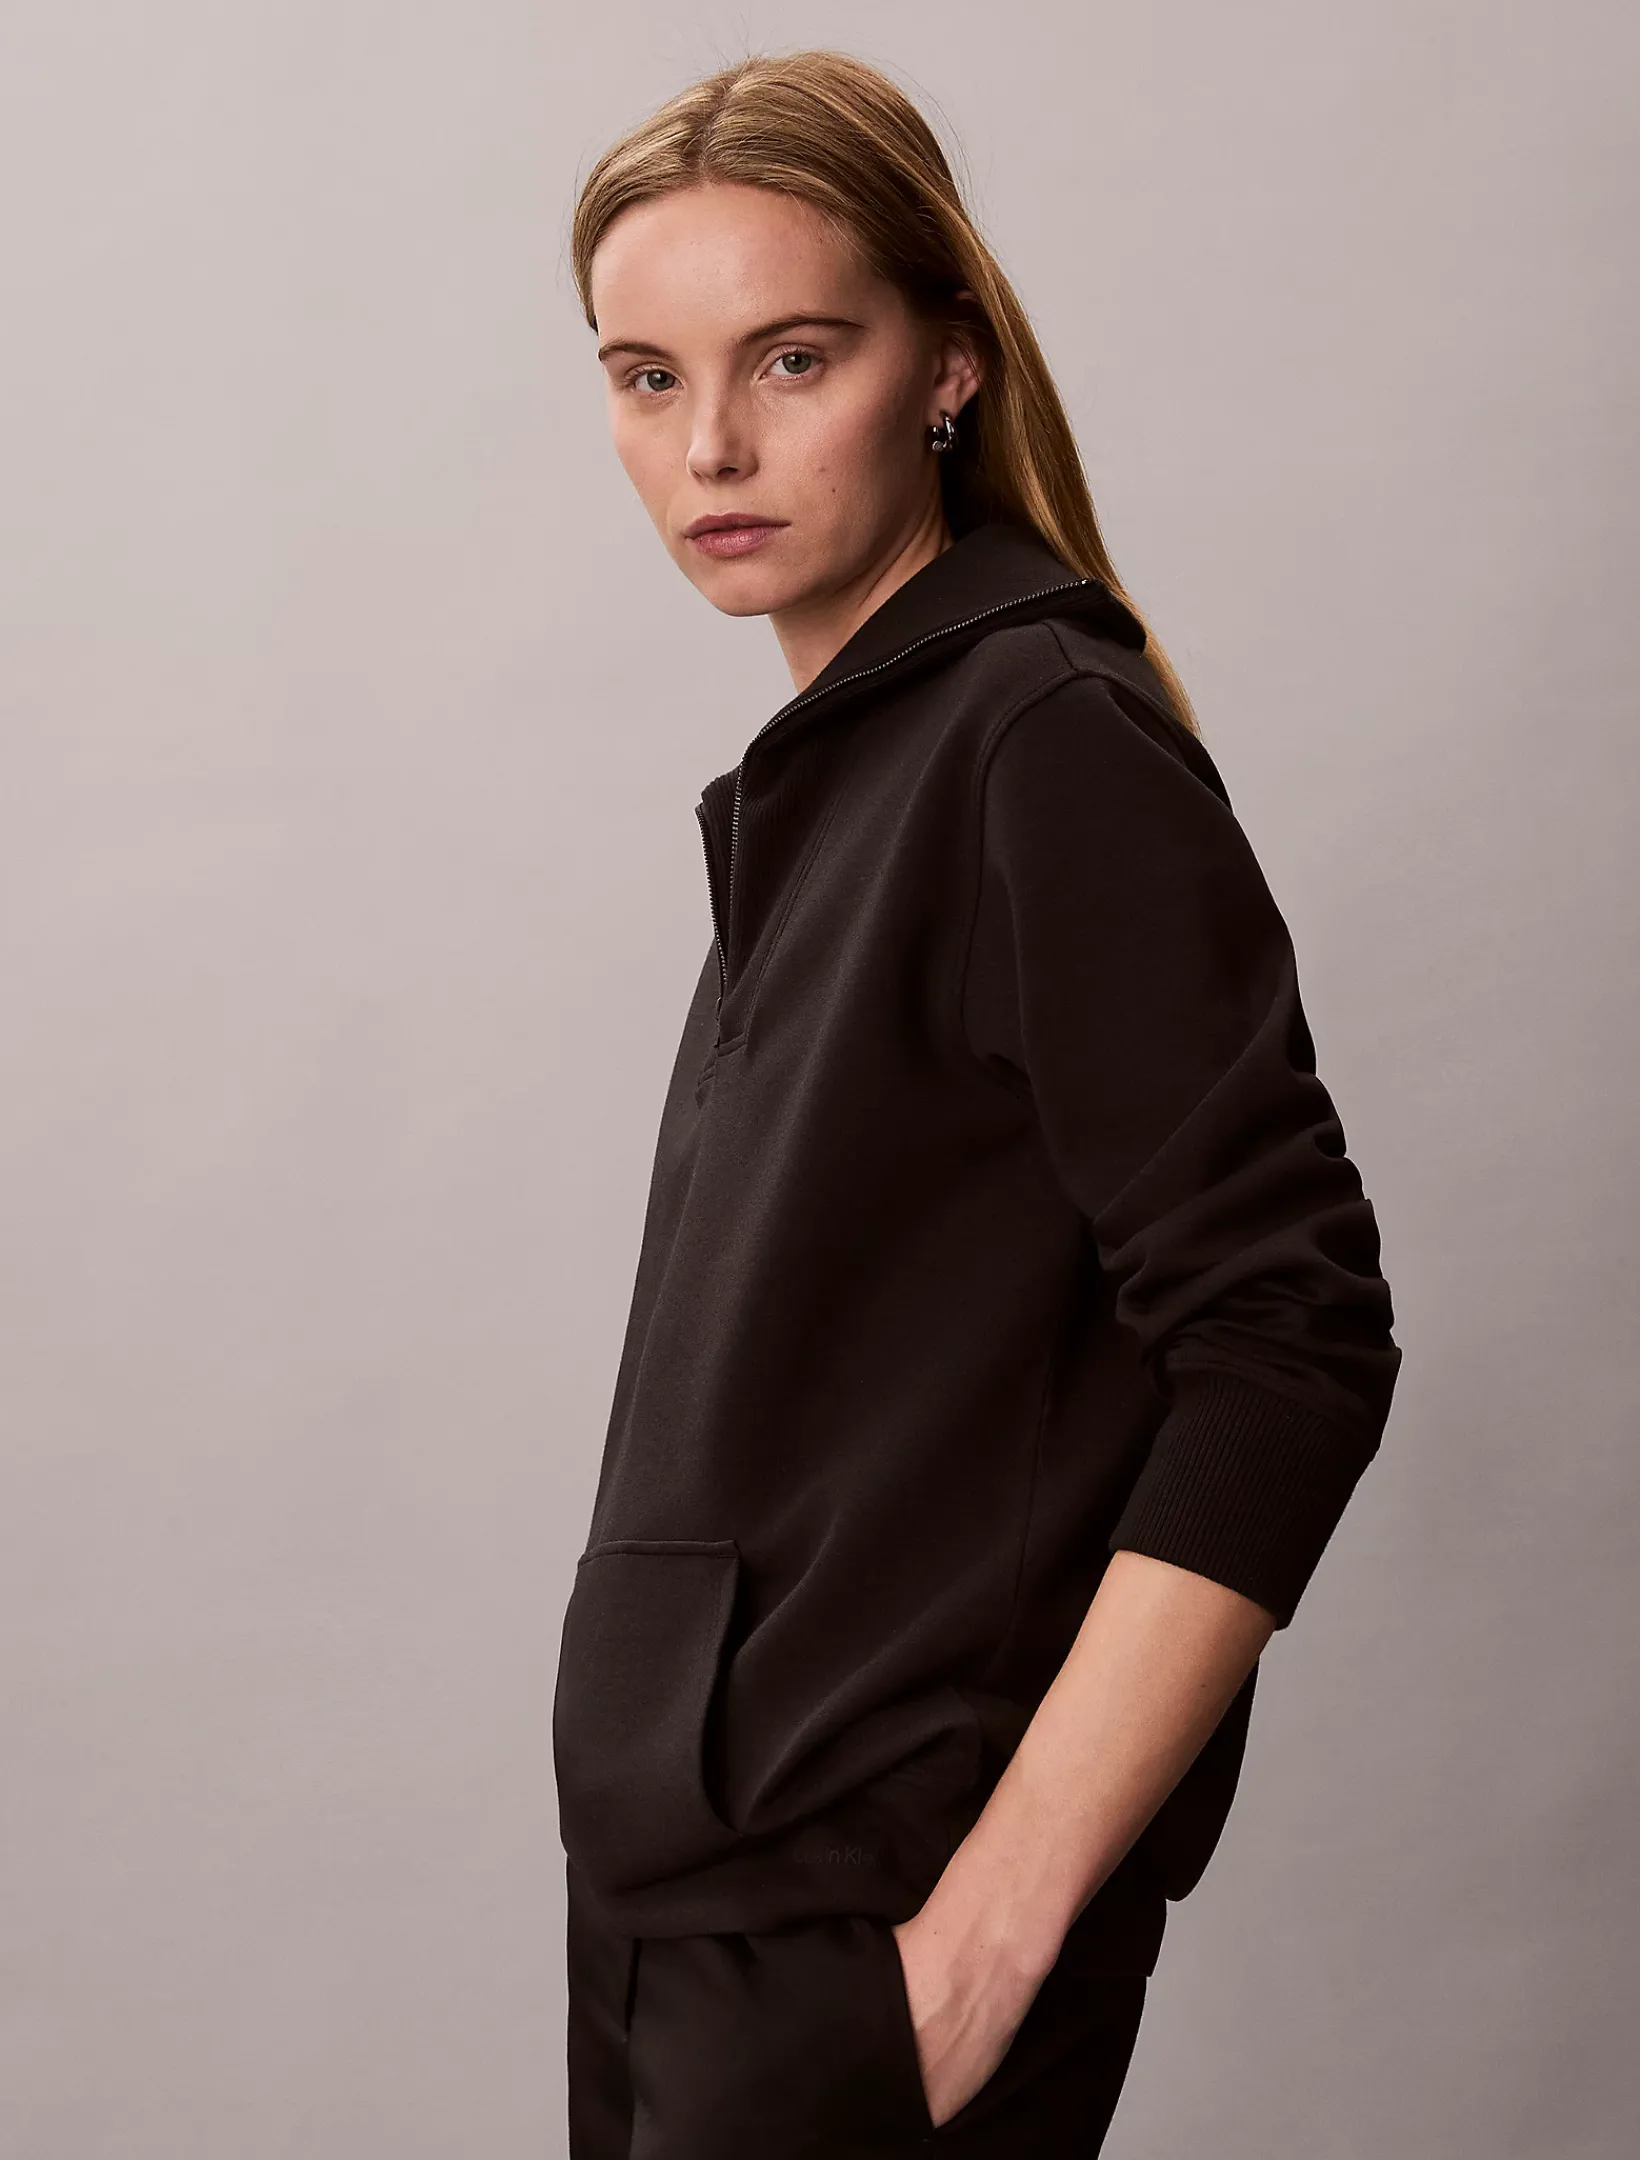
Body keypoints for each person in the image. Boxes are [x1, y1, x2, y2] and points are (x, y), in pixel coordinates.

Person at [552, 47, 1402, 2158]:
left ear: (944, 364)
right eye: (647, 378)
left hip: (879, 1921)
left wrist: (997, 1933)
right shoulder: (850, 771)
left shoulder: (1041, 738)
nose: (711, 444)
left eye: (792, 357)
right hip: (688, 1905)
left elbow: (1289, 1343)